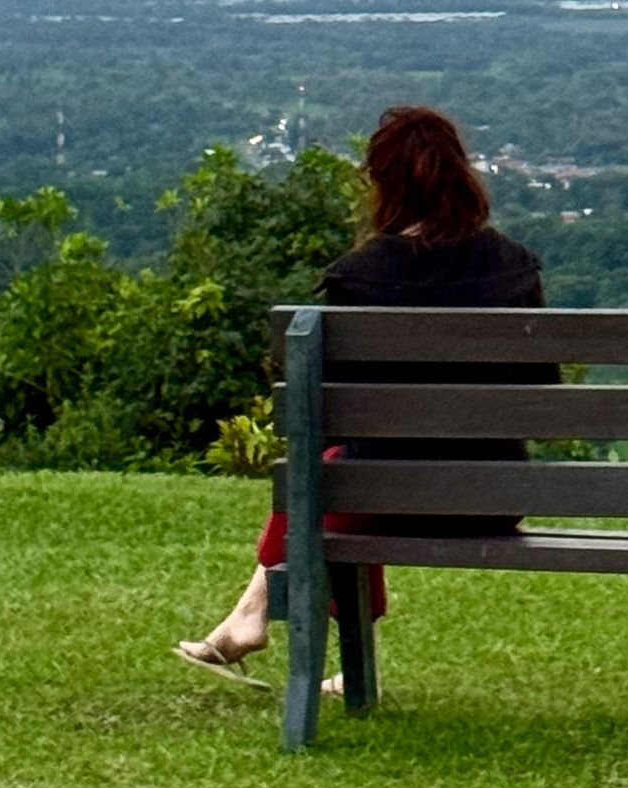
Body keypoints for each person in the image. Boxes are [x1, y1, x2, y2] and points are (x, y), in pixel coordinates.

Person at [175, 103, 546, 686]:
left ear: (384, 185)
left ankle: (251, 617)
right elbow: (541, 390)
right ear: (461, 175)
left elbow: (327, 417)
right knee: (342, 473)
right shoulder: (515, 267)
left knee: (329, 473)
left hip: (378, 491)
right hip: (496, 494)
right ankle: (277, 631)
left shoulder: (359, 275)